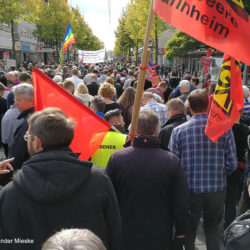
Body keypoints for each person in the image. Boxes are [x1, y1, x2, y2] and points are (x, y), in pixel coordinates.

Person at [0, 107, 121, 250]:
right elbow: (114, 232)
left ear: (37, 142)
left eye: (27, 137)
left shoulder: (10, 193)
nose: (26, 141)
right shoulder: (99, 180)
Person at [106, 110, 190, 250]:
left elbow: (108, 196)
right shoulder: (171, 161)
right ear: (156, 130)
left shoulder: (118, 158)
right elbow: (181, 201)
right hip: (159, 234)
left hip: (126, 231)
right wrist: (181, 229)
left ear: (135, 129)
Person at [169, 89, 237, 250]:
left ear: (189, 108)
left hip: (189, 190)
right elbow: (232, 164)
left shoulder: (179, 131)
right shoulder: (224, 129)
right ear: (208, 106)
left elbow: (173, 165)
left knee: (189, 232)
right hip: (216, 190)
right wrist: (218, 174)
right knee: (213, 230)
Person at [8, 83, 34, 172]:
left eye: (18, 100)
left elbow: (17, 154)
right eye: (15, 100)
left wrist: (5, 174)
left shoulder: (29, 122)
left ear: (31, 100)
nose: (15, 103)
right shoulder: (32, 117)